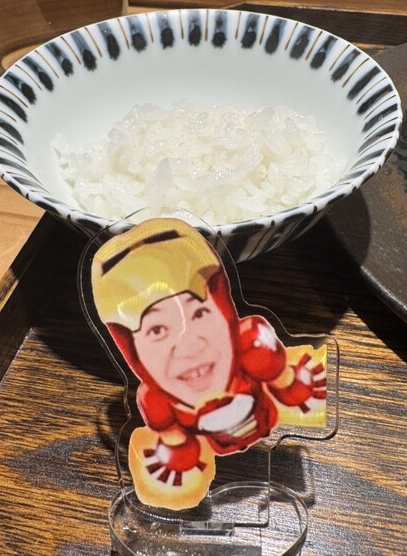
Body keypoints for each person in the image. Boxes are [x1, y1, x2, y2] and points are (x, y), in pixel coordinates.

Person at [91, 217, 326, 510]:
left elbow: (289, 381)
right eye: (157, 330)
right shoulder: (156, 400)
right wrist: (175, 453)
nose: (189, 347)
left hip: (277, 445)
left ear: (226, 313)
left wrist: (288, 380)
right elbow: (172, 439)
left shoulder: (253, 345)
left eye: (200, 313)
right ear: (133, 354)